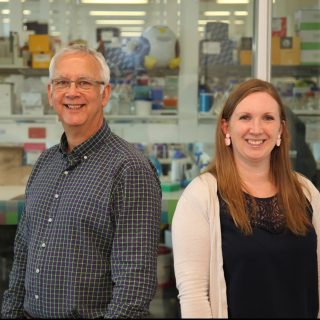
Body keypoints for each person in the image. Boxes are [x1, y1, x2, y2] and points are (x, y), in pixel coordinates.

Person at [1, 44, 162, 319]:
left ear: (105, 94)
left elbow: (134, 286)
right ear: (51, 94)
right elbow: (22, 256)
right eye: (62, 82)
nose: (72, 92)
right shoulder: (45, 163)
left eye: (84, 83)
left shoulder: (130, 168)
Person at [172, 78, 320, 318]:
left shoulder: (306, 192)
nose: (257, 129)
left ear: (281, 129)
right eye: (245, 117)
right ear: (226, 128)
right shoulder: (201, 196)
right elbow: (194, 295)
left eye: (268, 118)